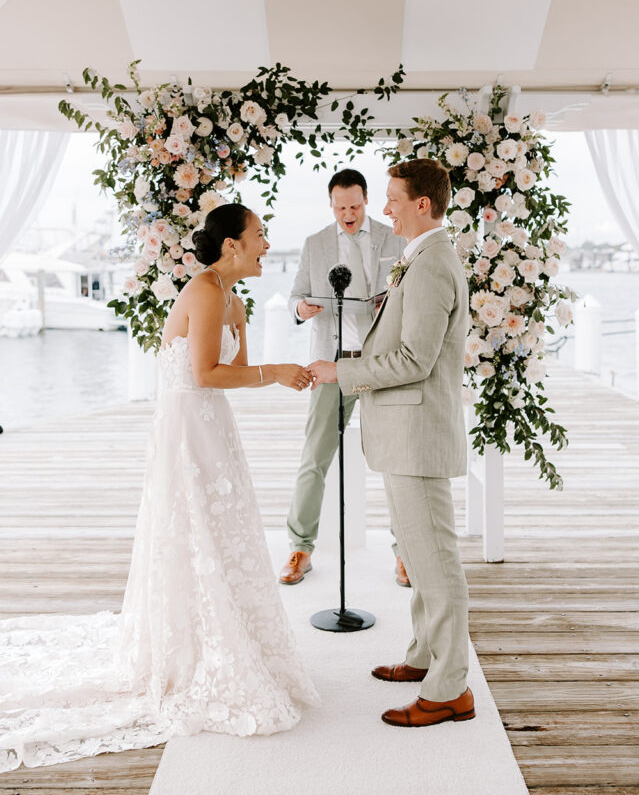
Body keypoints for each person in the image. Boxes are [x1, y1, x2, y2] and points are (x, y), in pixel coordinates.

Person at [0, 204, 318, 774]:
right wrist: (276, 369)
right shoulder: (201, 291)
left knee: (224, 534)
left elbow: (230, 368)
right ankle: (192, 652)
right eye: (260, 235)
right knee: (193, 533)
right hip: (187, 432)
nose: (267, 243)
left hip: (212, 426)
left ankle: (230, 637)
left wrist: (242, 326)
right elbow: (203, 374)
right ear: (231, 246)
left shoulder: (226, 295)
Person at [309, 159, 474, 728]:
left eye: (393, 199)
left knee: (437, 563)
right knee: (424, 559)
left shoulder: (429, 265)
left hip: (417, 434)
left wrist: (341, 371)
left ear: (422, 204)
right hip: (408, 433)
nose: (384, 209)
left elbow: (414, 359)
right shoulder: (419, 258)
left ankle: (452, 688)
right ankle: (425, 657)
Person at [279, 168, 408, 586]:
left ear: (366, 201)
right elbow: (296, 295)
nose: (347, 214)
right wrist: (302, 310)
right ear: (330, 205)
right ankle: (300, 548)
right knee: (314, 458)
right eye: (340, 208)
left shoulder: (394, 239)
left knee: (394, 461)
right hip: (329, 365)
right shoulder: (315, 244)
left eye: (354, 206)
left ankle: (404, 552)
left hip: (379, 363)